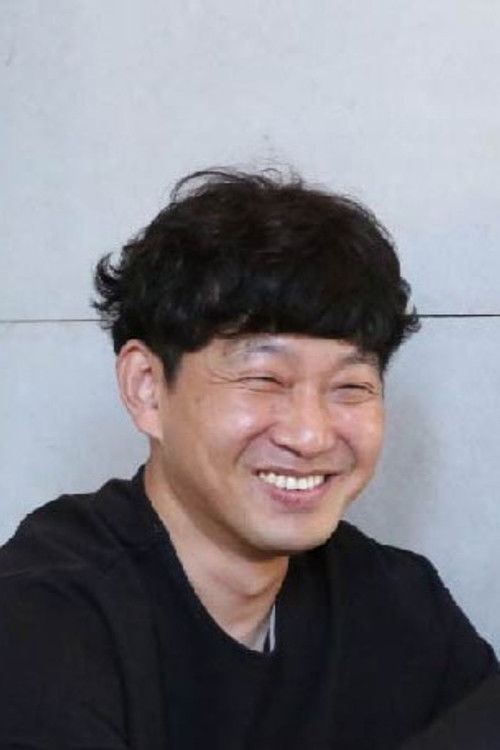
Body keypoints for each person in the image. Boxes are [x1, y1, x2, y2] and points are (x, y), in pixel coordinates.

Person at [0, 169, 496, 750]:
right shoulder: (40, 616)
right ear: (147, 389)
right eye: (264, 379)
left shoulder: (400, 605)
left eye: (351, 387)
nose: (310, 435)